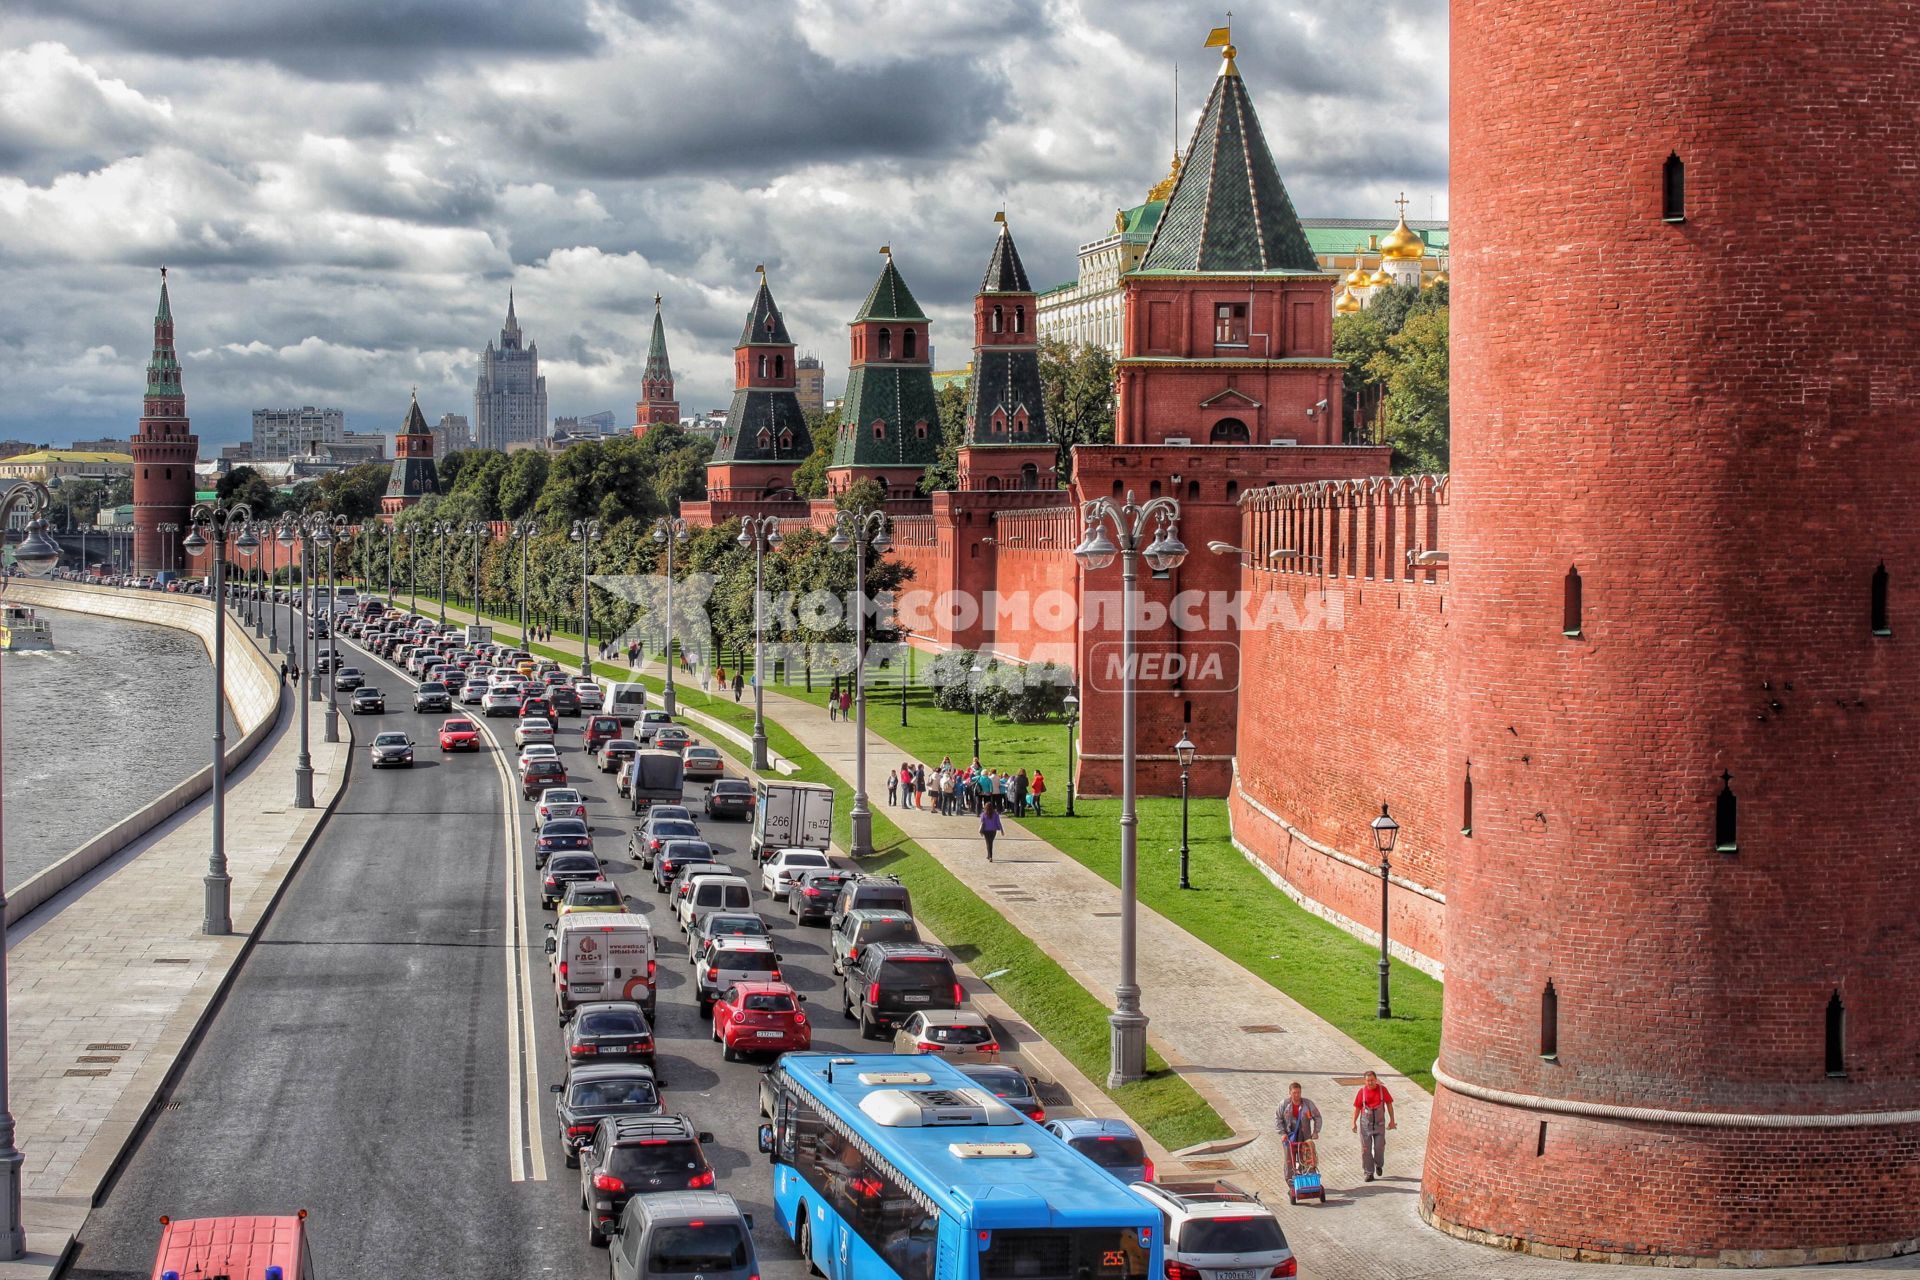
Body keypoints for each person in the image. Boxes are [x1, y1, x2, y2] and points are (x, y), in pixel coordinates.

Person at [1352, 1070, 1396, 1181]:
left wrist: (1392, 1120)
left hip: (1379, 1125)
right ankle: (1369, 1172)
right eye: (1368, 1081)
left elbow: (1389, 1105)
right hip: (1365, 1126)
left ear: (1376, 1080)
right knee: (1365, 1149)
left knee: (1379, 1147)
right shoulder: (1361, 1092)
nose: (1370, 1083)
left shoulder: (1383, 1090)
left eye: (1372, 1080)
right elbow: (1357, 1108)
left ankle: (1379, 1164)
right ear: (1365, 1081)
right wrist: (1353, 1122)